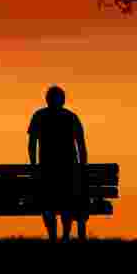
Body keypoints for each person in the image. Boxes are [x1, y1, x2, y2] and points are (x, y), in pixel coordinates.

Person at [27, 85, 89, 242]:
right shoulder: (71, 117)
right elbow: (81, 146)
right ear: (63, 100)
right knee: (66, 203)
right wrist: (82, 169)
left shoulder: (39, 116)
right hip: (68, 170)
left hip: (48, 170)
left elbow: (31, 144)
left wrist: (34, 165)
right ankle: (65, 236)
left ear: (47, 100)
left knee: (48, 205)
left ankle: (54, 236)